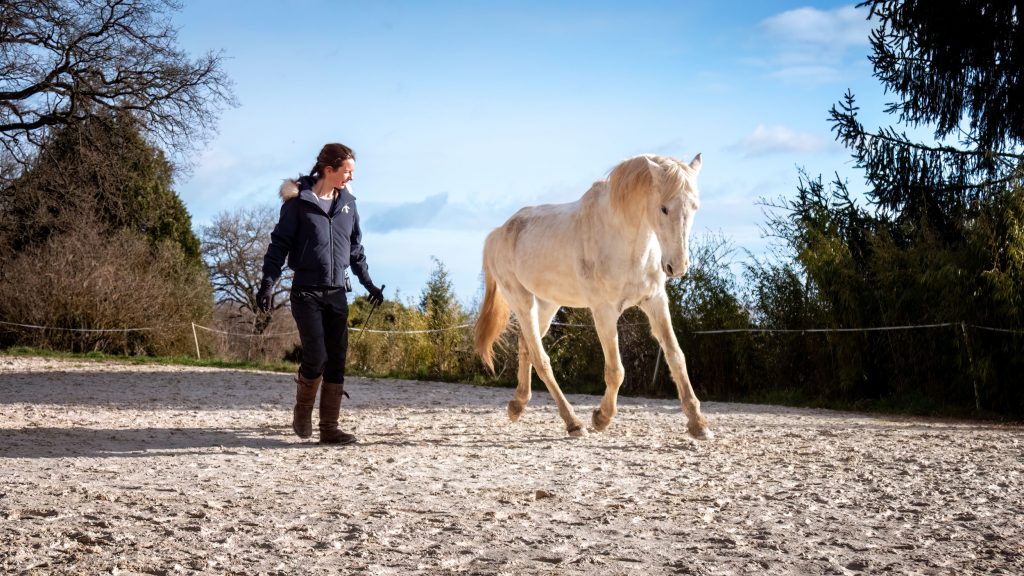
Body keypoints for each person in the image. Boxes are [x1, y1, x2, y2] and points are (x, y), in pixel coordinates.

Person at [257, 143, 384, 445]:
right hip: (306, 292)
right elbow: (278, 247)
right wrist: (267, 282)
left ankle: (329, 427)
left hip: (337, 291)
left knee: (337, 359)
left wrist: (369, 284)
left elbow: (355, 251)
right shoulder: (297, 204)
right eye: (347, 172)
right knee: (316, 356)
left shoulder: (349, 206)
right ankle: (302, 411)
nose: (350, 178)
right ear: (329, 170)